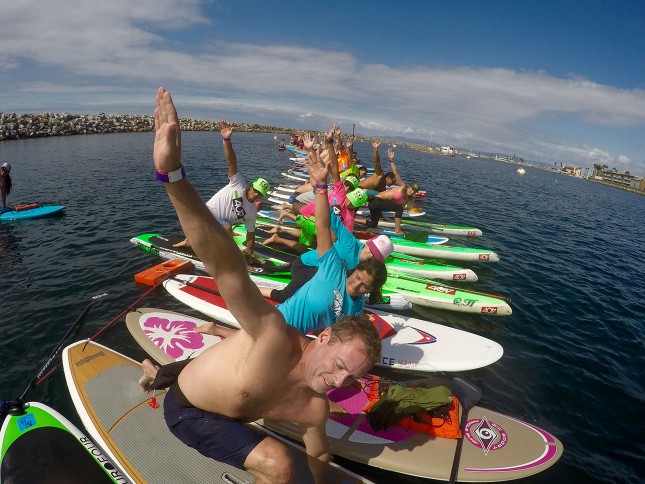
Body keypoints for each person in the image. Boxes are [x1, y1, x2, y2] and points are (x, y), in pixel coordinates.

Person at [141, 87, 382, 483]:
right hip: (189, 410)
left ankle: (152, 372)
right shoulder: (274, 336)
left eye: (351, 379)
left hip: (231, 399)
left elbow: (319, 450)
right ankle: (158, 377)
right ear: (322, 339)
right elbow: (227, 268)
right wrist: (172, 176)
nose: (340, 383)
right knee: (279, 464)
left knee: (278, 449)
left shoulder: (315, 407)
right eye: (341, 367)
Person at [260, 129, 387, 334]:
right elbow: (324, 223)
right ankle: (255, 291)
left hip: (318, 263)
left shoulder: (350, 220)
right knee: (288, 295)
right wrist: (320, 184)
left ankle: (278, 242)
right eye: (370, 250)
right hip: (309, 264)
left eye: (364, 286)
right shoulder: (343, 252)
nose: (357, 285)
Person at [173, 122, 269, 259]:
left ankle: (191, 241)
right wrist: (227, 140)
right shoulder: (238, 183)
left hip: (219, 221)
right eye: (255, 189)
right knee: (227, 228)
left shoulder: (252, 211)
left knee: (228, 228)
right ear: (251, 185)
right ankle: (232, 260)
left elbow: (250, 234)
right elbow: (231, 162)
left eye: (260, 193)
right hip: (206, 212)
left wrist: (250, 254)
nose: (256, 193)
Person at [357, 148, 419, 235]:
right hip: (375, 201)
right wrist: (391, 160)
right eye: (412, 188)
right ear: (408, 187)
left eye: (414, 191)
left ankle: (353, 219)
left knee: (373, 224)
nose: (412, 191)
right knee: (399, 208)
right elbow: (396, 173)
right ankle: (397, 231)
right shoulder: (402, 187)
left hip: (376, 205)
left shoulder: (405, 200)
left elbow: (392, 208)